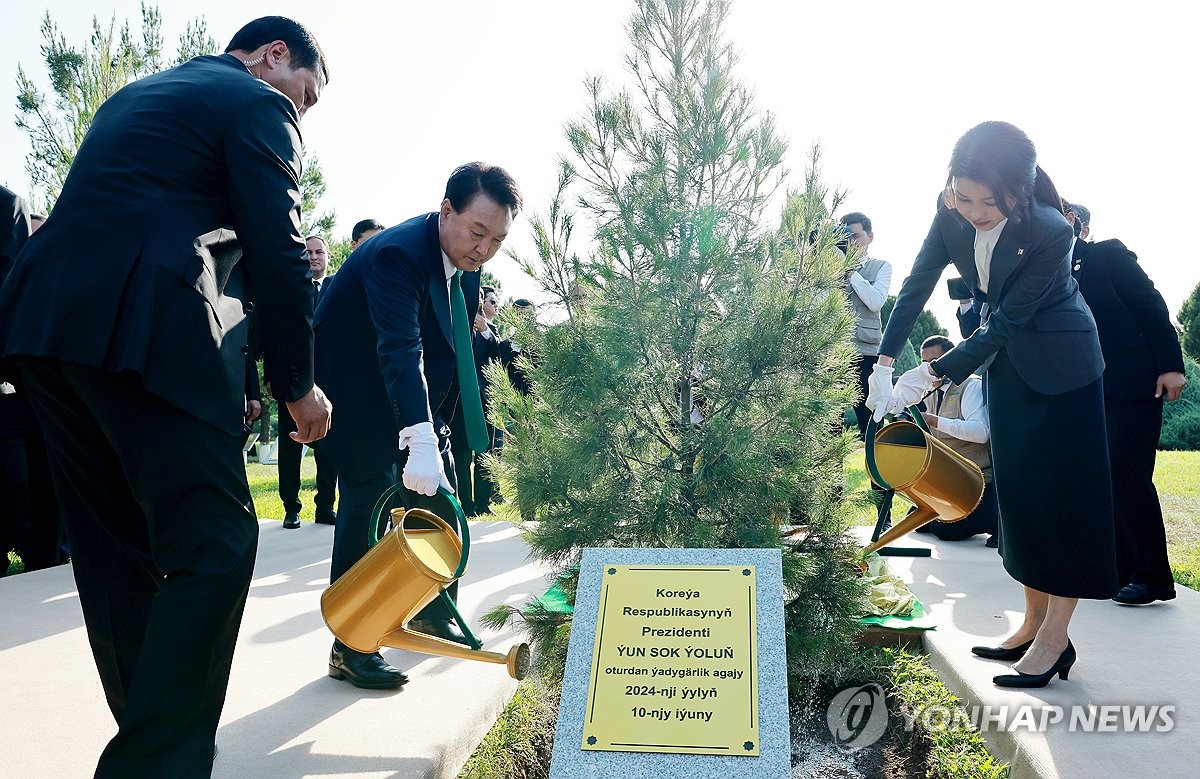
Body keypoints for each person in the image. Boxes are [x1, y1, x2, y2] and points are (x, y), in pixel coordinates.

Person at [0, 17, 332, 776]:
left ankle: (152, 737)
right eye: (306, 96)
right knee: (216, 543)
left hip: (49, 327)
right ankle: (156, 760)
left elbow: (188, 234)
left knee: (116, 550)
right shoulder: (256, 102)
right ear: (273, 56)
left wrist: (239, 382)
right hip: (139, 324)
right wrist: (298, 385)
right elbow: (277, 251)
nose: (301, 113)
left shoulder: (140, 94)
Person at [866, 121, 1116, 690]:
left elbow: (1007, 321)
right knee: (1021, 500)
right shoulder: (949, 208)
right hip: (1008, 369)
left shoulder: (1052, 230)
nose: (973, 210)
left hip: (1063, 370)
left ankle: (1056, 638)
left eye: (989, 201)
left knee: (1060, 502)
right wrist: (885, 363)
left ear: (1019, 193)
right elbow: (917, 282)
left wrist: (932, 373)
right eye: (963, 195)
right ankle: (1030, 625)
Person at [313, 162, 521, 689]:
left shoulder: (467, 266)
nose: (484, 250)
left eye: (497, 240)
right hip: (353, 396)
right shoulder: (396, 254)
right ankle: (351, 643)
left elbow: (450, 354)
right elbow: (400, 349)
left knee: (435, 504)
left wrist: (438, 432)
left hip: (406, 396)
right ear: (446, 209)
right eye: (477, 233)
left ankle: (427, 608)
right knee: (367, 500)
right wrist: (418, 434)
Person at [1065, 201, 1186, 605]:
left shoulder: (1106, 255)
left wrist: (1171, 365)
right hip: (1086, 392)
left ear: (1071, 222)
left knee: (1128, 477)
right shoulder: (1046, 273)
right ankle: (1119, 572)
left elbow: (1151, 305)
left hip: (1134, 385)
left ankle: (1153, 577)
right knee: (1101, 481)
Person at [909, 335, 998, 547]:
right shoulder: (927, 391)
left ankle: (995, 520)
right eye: (924, 363)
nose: (929, 368)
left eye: (935, 362)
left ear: (951, 359)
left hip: (978, 482)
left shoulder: (971, 386)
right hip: (949, 483)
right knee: (917, 521)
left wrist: (934, 420)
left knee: (944, 530)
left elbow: (981, 432)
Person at [278, 235, 339, 528]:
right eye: (307, 252)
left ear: (327, 256)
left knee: (328, 452)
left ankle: (325, 507)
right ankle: (291, 508)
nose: (313, 256)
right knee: (290, 450)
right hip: (293, 383)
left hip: (329, 382)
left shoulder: (339, 289)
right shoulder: (290, 289)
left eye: (318, 252)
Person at [839, 212, 893, 438]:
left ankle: (878, 473)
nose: (851, 241)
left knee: (871, 419)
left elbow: (875, 302)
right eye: (845, 236)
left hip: (866, 352)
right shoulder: (829, 270)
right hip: (834, 353)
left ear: (870, 236)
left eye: (856, 236)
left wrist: (849, 270)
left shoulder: (881, 266)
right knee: (830, 423)